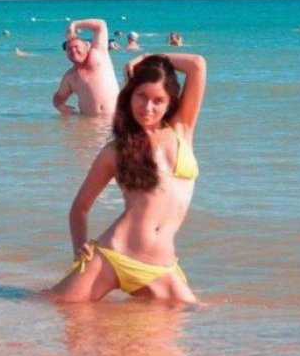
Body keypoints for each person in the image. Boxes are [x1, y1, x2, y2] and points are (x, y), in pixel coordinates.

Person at [49, 51, 207, 305]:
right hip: (113, 256)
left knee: (193, 312)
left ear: (170, 103)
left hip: (160, 267)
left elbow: (197, 65)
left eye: (158, 100)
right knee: (48, 306)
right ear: (129, 95)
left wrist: (145, 58)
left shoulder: (182, 129)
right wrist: (79, 248)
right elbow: (80, 208)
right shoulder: (116, 151)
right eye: (141, 96)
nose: (147, 107)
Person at [53, 18, 120, 117]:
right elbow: (59, 96)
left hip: (115, 118)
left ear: (86, 47)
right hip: (88, 123)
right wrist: (59, 106)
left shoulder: (98, 54)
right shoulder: (70, 76)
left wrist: (74, 24)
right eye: (69, 49)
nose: (73, 50)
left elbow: (100, 25)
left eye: (76, 47)